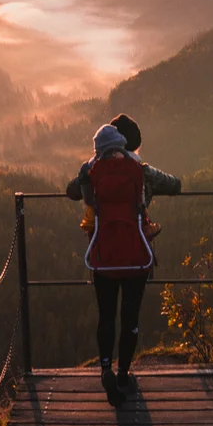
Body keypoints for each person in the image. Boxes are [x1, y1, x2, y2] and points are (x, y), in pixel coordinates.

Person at [66, 114, 181, 406]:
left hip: (103, 255)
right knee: (130, 316)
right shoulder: (141, 170)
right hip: (135, 255)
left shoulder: (92, 168)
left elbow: (71, 192)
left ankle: (104, 366)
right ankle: (124, 373)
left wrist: (89, 172)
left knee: (106, 316)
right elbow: (176, 185)